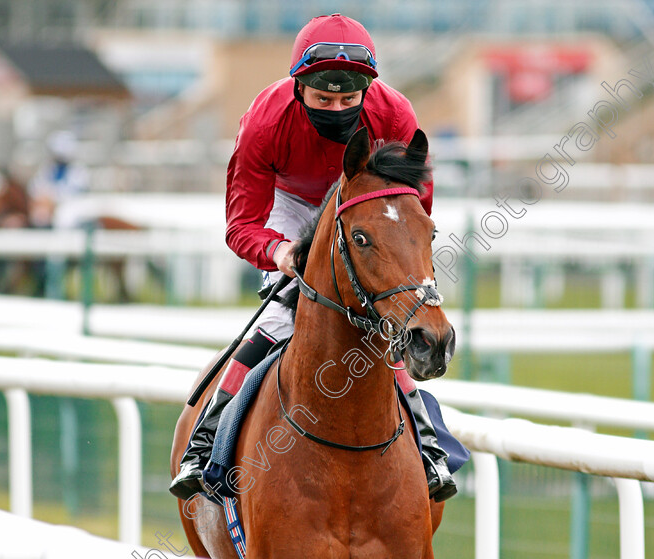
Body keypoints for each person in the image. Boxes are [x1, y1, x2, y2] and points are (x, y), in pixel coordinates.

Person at [170, 13, 456, 502]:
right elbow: (241, 225)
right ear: (298, 86)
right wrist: (279, 252)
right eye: (324, 99)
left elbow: (412, 213)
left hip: (364, 200)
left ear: (369, 90)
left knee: (383, 320)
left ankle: (429, 446)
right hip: (290, 204)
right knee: (286, 315)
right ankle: (204, 442)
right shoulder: (265, 119)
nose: (338, 109)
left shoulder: (396, 116)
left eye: (349, 100)